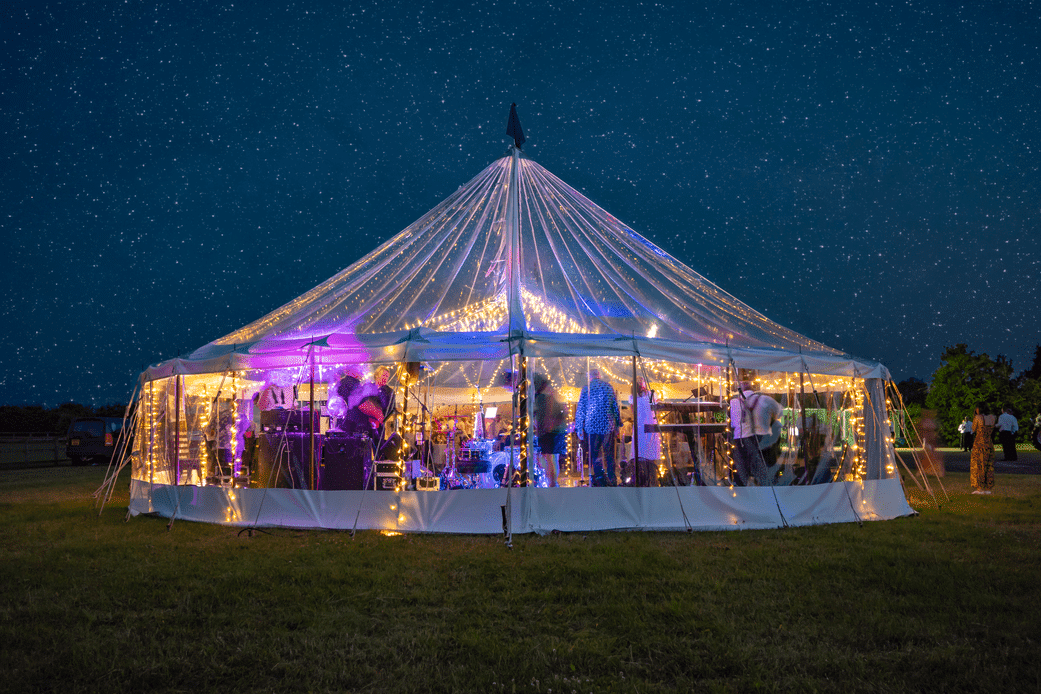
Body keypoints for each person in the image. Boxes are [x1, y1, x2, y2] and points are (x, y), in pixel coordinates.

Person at [728, 380, 783, 486]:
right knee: (767, 472)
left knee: (742, 473)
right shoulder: (765, 399)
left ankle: (743, 497)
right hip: (763, 438)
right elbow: (782, 412)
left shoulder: (733, 403)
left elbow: (734, 424)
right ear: (753, 389)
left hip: (741, 440)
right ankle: (770, 495)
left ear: (740, 389)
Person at [574, 368, 622, 487]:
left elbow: (581, 409)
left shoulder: (586, 389)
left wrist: (579, 427)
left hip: (592, 427)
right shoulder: (608, 387)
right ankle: (612, 479)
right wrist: (617, 424)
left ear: (590, 376)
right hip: (607, 426)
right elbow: (614, 406)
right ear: (599, 375)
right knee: (609, 454)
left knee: (595, 454)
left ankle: (600, 479)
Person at [533, 372, 567, 487]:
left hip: (549, 431)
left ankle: (551, 483)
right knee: (553, 458)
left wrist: (541, 428)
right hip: (558, 430)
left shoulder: (540, 398)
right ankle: (553, 482)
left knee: (548, 457)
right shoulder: (552, 395)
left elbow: (540, 417)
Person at [970, 403, 996, 494]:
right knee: (989, 465)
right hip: (989, 443)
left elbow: (973, 429)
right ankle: (988, 488)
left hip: (979, 443)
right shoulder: (993, 417)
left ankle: (980, 488)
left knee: (979, 465)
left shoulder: (978, 417)